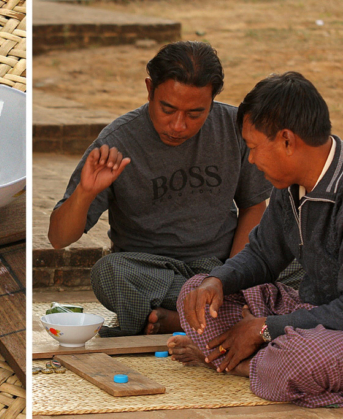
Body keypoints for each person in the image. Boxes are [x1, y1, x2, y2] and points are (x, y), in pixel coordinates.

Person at [48, 41, 292, 337]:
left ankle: (183, 320)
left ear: (213, 100)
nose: (178, 125)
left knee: (304, 260)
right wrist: (85, 193)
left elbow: (254, 206)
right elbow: (59, 238)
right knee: (109, 272)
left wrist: (230, 278)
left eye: (195, 113)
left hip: (223, 264)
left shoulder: (235, 128)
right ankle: (235, 317)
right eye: (168, 109)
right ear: (150, 90)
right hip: (154, 273)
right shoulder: (117, 141)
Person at [168, 71, 343, 407]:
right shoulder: (288, 183)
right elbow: (262, 255)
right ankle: (263, 362)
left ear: (287, 141)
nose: (250, 159)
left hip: (329, 330)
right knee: (195, 293)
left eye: (252, 147)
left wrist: (264, 328)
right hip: (310, 314)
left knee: (301, 358)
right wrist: (218, 281)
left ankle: (246, 364)